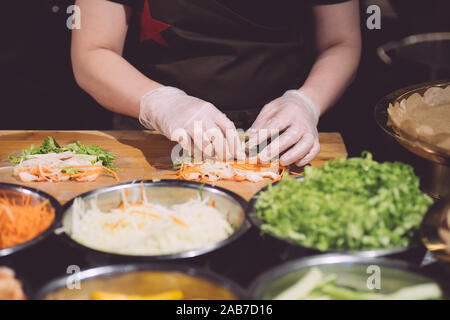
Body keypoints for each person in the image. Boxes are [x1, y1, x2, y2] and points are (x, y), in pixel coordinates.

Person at [72, 0, 361, 165]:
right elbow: (93, 52)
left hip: (282, 137)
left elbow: (341, 42)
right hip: (155, 139)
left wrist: (307, 102)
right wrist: (160, 103)